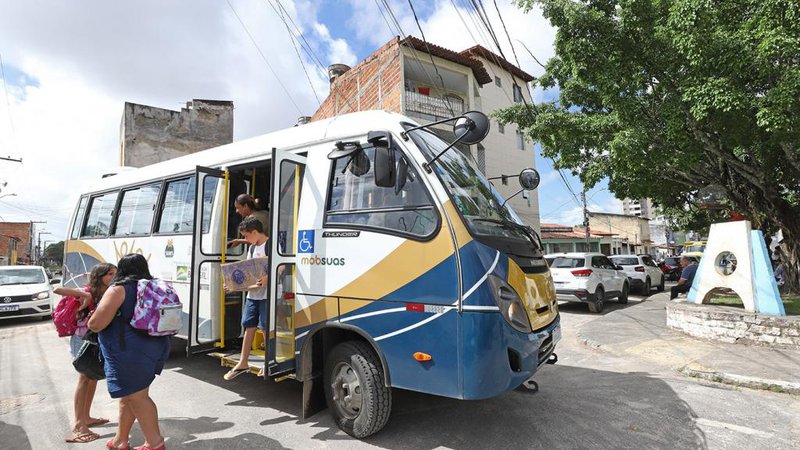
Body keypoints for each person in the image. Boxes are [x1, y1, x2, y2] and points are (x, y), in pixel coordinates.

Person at [88, 254, 170, 450]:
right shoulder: (154, 286)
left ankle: (154, 443)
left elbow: (96, 324)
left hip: (128, 351)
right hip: (155, 346)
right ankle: (120, 440)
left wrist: (90, 319)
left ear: (121, 269)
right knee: (131, 395)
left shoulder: (118, 289)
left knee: (138, 397)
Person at [55, 263, 117, 444]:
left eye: (115, 273)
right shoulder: (90, 290)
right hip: (82, 339)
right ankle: (78, 425)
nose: (113, 277)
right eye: (110, 274)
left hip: (96, 340)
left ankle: (87, 417)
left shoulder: (110, 292)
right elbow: (58, 289)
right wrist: (85, 295)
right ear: (100, 275)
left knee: (92, 378)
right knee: (84, 379)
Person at [223, 216, 269, 380]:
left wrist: (268, 277)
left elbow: (281, 266)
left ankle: (268, 362)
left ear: (255, 232)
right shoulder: (251, 248)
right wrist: (232, 285)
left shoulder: (270, 245)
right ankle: (243, 362)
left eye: (246, 236)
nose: (245, 239)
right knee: (248, 324)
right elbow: (245, 273)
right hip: (253, 294)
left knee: (264, 327)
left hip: (266, 294)